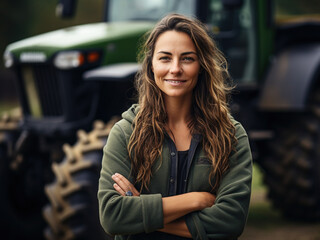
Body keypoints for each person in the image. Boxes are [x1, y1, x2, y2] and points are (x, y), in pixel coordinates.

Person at [97, 13, 252, 240]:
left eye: (187, 58)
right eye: (165, 58)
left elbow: (230, 222)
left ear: (202, 65)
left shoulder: (231, 135)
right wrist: (194, 201)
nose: (176, 68)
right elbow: (112, 216)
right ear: (151, 64)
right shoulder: (126, 132)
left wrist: (140, 212)